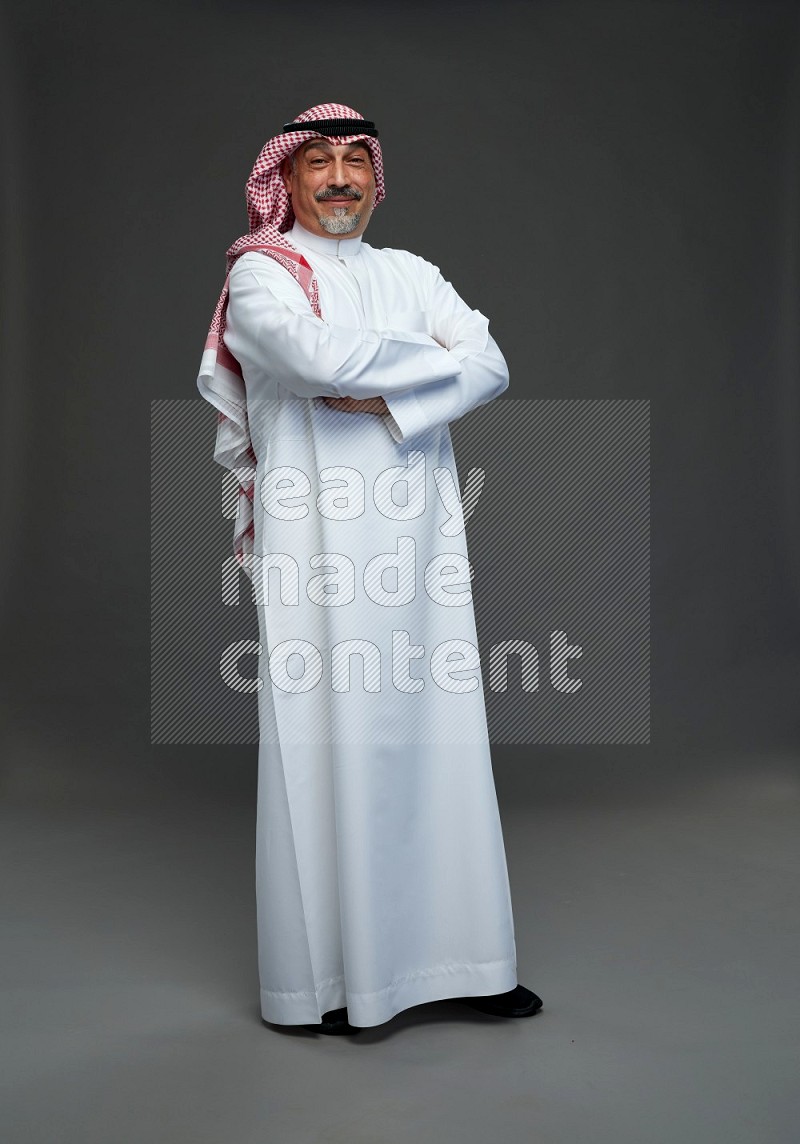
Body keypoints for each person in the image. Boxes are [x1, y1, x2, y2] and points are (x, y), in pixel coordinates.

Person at [197, 103, 542, 1034]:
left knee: (441, 729)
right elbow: (311, 358)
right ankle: (337, 985)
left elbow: (493, 362)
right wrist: (429, 365)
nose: (340, 178)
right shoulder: (264, 273)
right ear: (290, 178)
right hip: (316, 544)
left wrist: (387, 400)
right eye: (320, 162)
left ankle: (469, 964)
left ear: (374, 176)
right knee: (331, 737)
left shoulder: (413, 272)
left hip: (421, 538)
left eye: (356, 160)